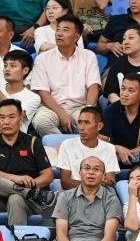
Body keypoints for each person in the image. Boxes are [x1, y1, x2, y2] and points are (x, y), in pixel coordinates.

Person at [30, 14, 101, 135]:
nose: (59, 33)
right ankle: (64, 143)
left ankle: (75, 143)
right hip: (52, 107)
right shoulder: (42, 58)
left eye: (65, 30)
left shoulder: (88, 56)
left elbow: (93, 86)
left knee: (89, 123)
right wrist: (62, 114)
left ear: (76, 37)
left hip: (80, 107)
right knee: (41, 122)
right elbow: (43, 92)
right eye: (58, 29)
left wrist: (88, 110)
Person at [52, 156, 122, 241]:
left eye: (96, 169)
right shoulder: (65, 196)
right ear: (79, 173)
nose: (91, 172)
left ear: (104, 176)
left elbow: (110, 236)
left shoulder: (111, 199)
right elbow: (61, 232)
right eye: (87, 168)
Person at [0, 97, 54, 226]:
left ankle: (16, 240)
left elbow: (48, 175)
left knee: (15, 198)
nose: (6, 122)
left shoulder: (33, 142)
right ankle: (28, 193)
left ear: (20, 119)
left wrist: (31, 184)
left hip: (29, 201)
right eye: (2, 118)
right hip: (2, 197)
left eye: (11, 117)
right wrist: (15, 178)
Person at [101, 74, 140, 173]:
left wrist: (127, 153)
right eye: (123, 89)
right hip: (115, 155)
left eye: (130, 90)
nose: (124, 94)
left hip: (137, 156)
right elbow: (102, 140)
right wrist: (118, 148)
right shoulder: (110, 110)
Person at [57, 104, 120, 188]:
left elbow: (110, 180)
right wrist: (93, 184)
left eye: (87, 123)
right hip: (73, 192)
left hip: (100, 192)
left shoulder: (109, 148)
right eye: (80, 122)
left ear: (99, 126)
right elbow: (65, 182)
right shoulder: (67, 145)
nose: (81, 127)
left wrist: (95, 184)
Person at [1, 49, 41, 130]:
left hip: (13, 136)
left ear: (25, 70)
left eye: (13, 66)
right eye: (5, 65)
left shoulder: (33, 98)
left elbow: (13, 115)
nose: (7, 69)